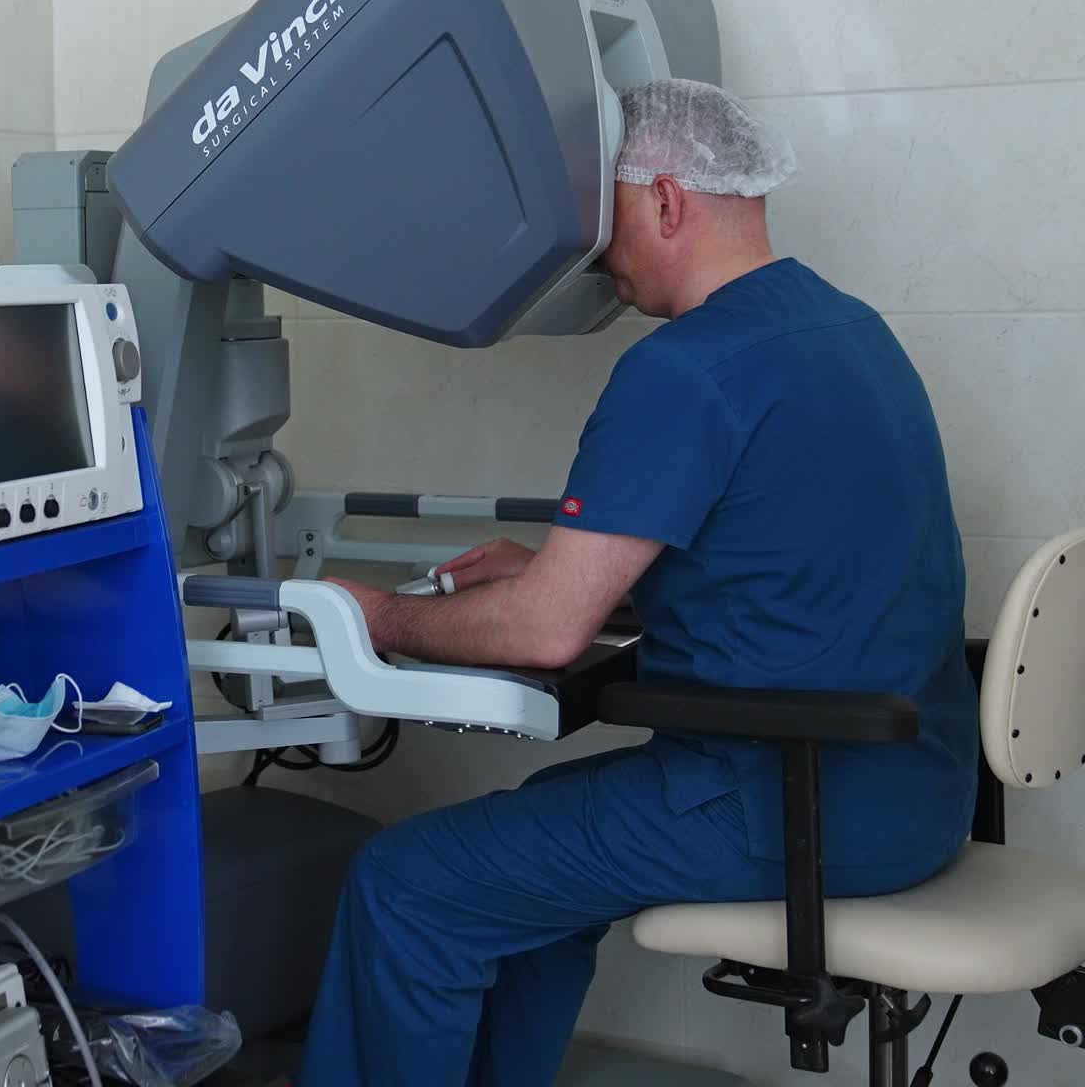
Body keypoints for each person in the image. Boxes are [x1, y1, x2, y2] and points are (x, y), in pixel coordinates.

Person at [295, 78, 979, 1087]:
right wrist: (572, 573)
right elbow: (792, 564)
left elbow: (541, 636)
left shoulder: (685, 368)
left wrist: (378, 613)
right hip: (912, 785)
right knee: (524, 861)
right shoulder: (847, 331)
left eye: (599, 214)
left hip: (782, 797)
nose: (595, 257)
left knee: (409, 883)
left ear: (664, 200)